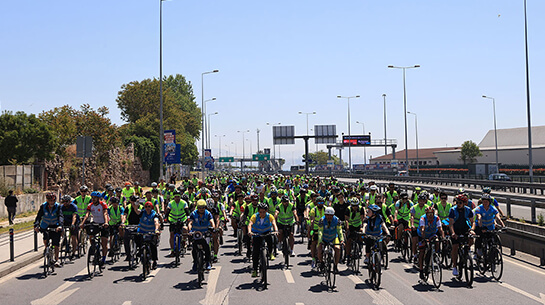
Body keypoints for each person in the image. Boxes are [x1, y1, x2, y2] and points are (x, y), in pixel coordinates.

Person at [80, 191, 110, 266]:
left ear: (98, 198)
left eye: (95, 198)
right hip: (95, 223)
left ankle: (103, 259)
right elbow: (87, 215)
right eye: (92, 198)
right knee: (91, 236)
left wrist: (106, 222)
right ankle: (94, 248)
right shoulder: (90, 205)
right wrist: (82, 223)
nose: (93, 199)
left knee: (104, 242)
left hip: (103, 223)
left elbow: (105, 213)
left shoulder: (103, 204)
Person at [248, 202, 278, 277]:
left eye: (264, 212)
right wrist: (249, 232)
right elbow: (250, 224)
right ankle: (255, 270)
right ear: (258, 211)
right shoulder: (254, 216)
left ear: (266, 211)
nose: (262, 214)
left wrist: (276, 230)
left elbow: (274, 223)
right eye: (260, 212)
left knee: (271, 238)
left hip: (266, 232)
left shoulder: (269, 216)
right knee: (255, 252)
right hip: (257, 234)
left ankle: (271, 253)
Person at [34, 192, 64, 267]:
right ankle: (46, 249)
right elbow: (38, 217)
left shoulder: (58, 206)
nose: (51, 202)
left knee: (56, 244)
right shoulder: (43, 206)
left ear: (55, 200)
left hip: (55, 226)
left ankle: (56, 260)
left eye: (52, 200)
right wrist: (36, 225)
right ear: (47, 200)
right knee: (45, 240)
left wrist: (60, 225)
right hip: (45, 226)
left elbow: (60, 216)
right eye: (49, 200)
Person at [449, 194, 475, 277]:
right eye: (457, 202)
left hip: (465, 229)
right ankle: (454, 266)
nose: (458, 204)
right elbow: (451, 224)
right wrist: (453, 233)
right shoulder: (453, 210)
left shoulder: (468, 210)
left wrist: (472, 230)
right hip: (456, 230)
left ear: (464, 203)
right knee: (455, 247)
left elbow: (472, 222)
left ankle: (466, 251)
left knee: (471, 240)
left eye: (460, 203)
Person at [473, 194, 505, 259]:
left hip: (490, 226)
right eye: (483, 201)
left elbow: (498, 217)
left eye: (486, 202)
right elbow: (479, 218)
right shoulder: (479, 208)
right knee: (479, 238)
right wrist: (481, 227)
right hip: (481, 226)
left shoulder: (492, 208)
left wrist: (503, 226)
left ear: (489, 202)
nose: (485, 203)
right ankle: (478, 252)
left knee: (492, 241)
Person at [417, 207, 444, 281]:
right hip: (423, 235)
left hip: (432, 234)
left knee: (437, 241)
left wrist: (443, 237)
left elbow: (440, 229)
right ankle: (421, 270)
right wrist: (423, 239)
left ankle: (435, 254)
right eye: (428, 214)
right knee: (422, 251)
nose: (430, 216)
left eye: (431, 214)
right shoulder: (423, 219)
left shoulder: (437, 218)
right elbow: (422, 229)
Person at [188, 199, 215, 272]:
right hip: (196, 234)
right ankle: (195, 262)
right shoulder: (193, 214)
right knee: (194, 248)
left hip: (206, 233)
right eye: (200, 207)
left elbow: (212, 222)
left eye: (203, 207)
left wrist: (213, 228)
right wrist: (190, 231)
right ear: (197, 207)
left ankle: (207, 262)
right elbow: (190, 223)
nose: (201, 209)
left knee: (207, 247)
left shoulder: (208, 213)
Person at [134, 201, 161, 270]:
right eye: (146, 206)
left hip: (151, 232)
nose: (147, 208)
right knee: (137, 238)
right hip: (142, 231)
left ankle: (154, 261)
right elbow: (136, 211)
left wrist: (156, 230)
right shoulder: (143, 212)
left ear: (151, 207)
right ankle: (140, 251)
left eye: (149, 206)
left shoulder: (154, 214)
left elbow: (156, 222)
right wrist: (136, 204)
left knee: (153, 245)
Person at [317, 207, 344, 274]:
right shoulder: (322, 220)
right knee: (319, 250)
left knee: (337, 249)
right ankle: (322, 262)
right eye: (327, 215)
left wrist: (342, 240)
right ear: (325, 215)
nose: (329, 217)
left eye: (331, 215)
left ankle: (335, 266)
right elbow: (320, 232)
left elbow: (339, 231)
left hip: (333, 237)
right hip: (323, 238)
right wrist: (320, 241)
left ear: (333, 215)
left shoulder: (337, 220)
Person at [165, 192, 190, 257]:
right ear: (174, 197)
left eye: (178, 197)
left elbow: (187, 211)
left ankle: (184, 241)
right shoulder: (171, 203)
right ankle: (172, 250)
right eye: (176, 197)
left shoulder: (183, 203)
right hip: (173, 221)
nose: (177, 198)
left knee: (185, 229)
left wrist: (188, 217)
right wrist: (166, 217)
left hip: (182, 220)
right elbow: (168, 211)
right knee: (172, 235)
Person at [345, 197, 365, 265]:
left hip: (358, 224)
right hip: (351, 225)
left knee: (361, 234)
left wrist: (362, 226)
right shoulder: (348, 209)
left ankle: (360, 246)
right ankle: (348, 256)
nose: (355, 207)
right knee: (349, 241)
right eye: (353, 206)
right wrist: (347, 228)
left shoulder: (361, 209)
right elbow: (346, 220)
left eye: (356, 205)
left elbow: (362, 218)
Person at [410, 193, 430, 262]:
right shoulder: (414, 207)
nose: (421, 202)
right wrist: (412, 225)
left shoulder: (427, 208)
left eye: (423, 200)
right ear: (418, 201)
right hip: (416, 227)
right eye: (420, 200)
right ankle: (415, 255)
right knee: (414, 241)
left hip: (424, 227)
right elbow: (412, 217)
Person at [309, 196, 326, 269]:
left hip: (325, 228)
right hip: (316, 228)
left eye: (322, 202)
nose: (320, 204)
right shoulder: (313, 210)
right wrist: (312, 230)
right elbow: (312, 221)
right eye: (319, 203)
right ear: (316, 203)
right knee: (313, 242)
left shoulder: (326, 209)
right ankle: (313, 259)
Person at [60, 194, 79, 259]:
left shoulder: (73, 207)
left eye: (66, 201)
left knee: (73, 237)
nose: (65, 203)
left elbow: (74, 216)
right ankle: (64, 242)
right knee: (62, 233)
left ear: (69, 201)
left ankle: (73, 252)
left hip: (73, 222)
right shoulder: (62, 207)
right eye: (63, 201)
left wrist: (73, 224)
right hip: (65, 222)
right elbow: (60, 216)